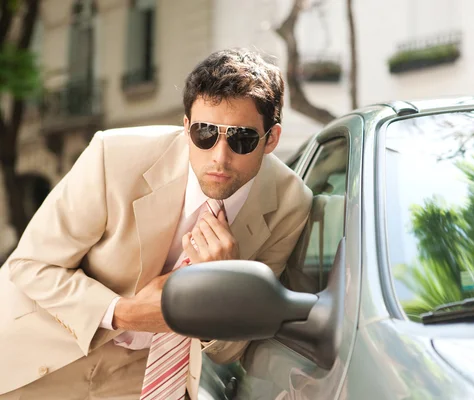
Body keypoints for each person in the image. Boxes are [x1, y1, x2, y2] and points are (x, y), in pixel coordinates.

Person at [0, 48, 313, 400]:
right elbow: (30, 265)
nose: (219, 157)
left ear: (271, 139)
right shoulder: (114, 156)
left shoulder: (289, 203)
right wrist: (126, 313)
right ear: (185, 127)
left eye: (242, 139)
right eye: (205, 133)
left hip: (147, 380)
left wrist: (224, 292)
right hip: (42, 355)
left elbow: (229, 351)